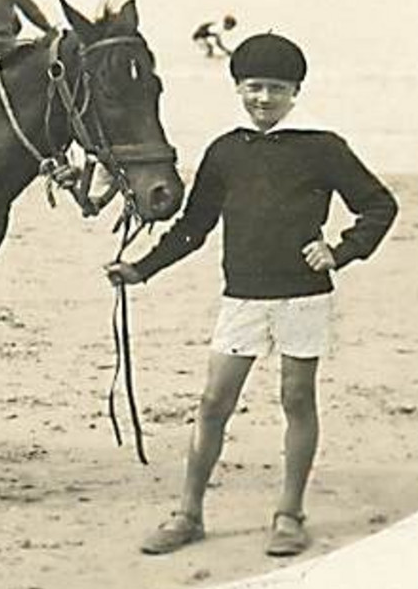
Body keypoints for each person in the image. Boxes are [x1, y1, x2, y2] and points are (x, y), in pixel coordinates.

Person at [106, 33, 398, 558]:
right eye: (254, 87)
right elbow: (193, 229)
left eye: (277, 89)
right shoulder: (224, 151)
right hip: (242, 297)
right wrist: (141, 269)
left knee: (297, 399)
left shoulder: (323, 147)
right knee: (214, 402)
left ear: (296, 92)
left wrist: (341, 251)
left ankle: (289, 514)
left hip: (304, 297)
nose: (264, 99)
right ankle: (188, 514)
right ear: (239, 88)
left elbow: (379, 206)